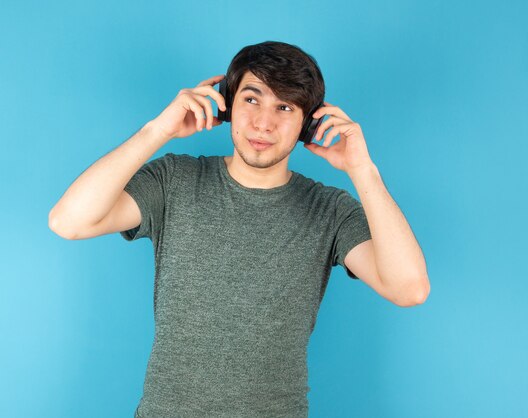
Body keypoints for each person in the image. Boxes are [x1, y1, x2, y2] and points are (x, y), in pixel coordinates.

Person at [48, 40, 430, 417]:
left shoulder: (329, 210)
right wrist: (157, 132)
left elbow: (409, 288)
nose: (264, 123)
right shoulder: (175, 179)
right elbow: (70, 221)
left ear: (308, 124)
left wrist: (363, 172)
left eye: (284, 107)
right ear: (227, 104)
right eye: (252, 99)